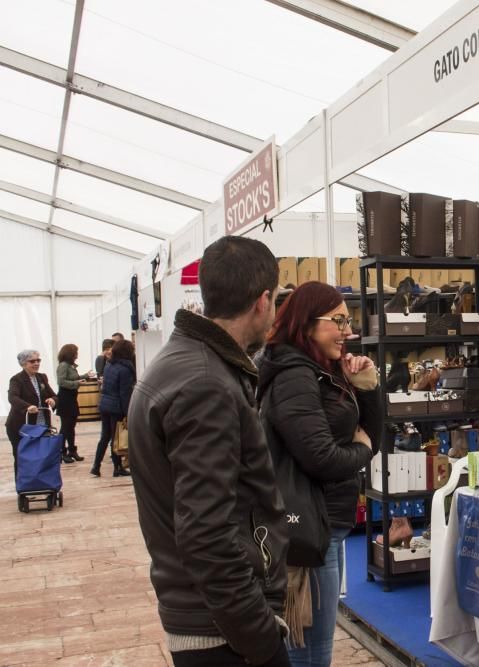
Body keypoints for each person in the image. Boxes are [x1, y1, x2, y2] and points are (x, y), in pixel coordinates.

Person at [127, 236, 290, 667]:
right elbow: (205, 535)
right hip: (222, 632)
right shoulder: (205, 383)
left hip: (210, 619)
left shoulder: (188, 363)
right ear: (263, 300)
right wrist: (260, 638)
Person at [257, 282, 380, 666]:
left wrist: (367, 387)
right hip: (309, 534)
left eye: (349, 320)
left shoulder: (320, 371)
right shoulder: (295, 375)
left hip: (326, 526)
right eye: (338, 320)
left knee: (314, 649)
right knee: (311, 655)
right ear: (307, 324)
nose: (348, 329)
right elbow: (321, 458)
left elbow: (372, 433)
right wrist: (361, 450)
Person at [5, 349, 56, 475]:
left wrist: (53, 400)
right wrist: (27, 406)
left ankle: (39, 482)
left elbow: (54, 395)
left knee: (41, 456)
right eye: (32, 361)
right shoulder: (17, 379)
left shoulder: (41, 377)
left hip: (42, 425)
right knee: (22, 456)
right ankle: (23, 487)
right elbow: (13, 398)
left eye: (38, 360)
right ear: (23, 363)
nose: (36, 363)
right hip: (21, 425)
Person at [91, 340, 135, 477]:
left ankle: (96, 465)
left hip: (105, 404)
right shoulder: (125, 369)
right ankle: (117, 467)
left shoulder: (109, 365)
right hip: (116, 407)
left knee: (105, 436)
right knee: (116, 438)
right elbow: (125, 393)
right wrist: (128, 412)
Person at [56, 343, 89, 463]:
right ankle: (61, 451)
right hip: (65, 399)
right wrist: (77, 384)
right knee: (65, 427)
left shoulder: (70, 366)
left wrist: (85, 376)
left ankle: (72, 450)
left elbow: (73, 377)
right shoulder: (63, 366)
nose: (77, 355)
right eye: (75, 352)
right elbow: (61, 382)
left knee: (71, 426)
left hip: (71, 398)